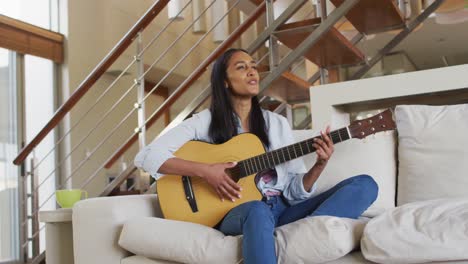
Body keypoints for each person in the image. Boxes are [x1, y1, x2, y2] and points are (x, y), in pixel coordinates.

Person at [134, 48, 378, 264]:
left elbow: (293, 191)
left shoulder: (278, 124)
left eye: (253, 66)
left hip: (282, 209)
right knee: (257, 211)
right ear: (225, 82)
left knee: (365, 185)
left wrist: (319, 164)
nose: (252, 72)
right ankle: (285, 234)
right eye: (242, 67)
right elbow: (147, 156)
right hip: (238, 212)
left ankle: (297, 234)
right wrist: (207, 171)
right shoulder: (205, 122)